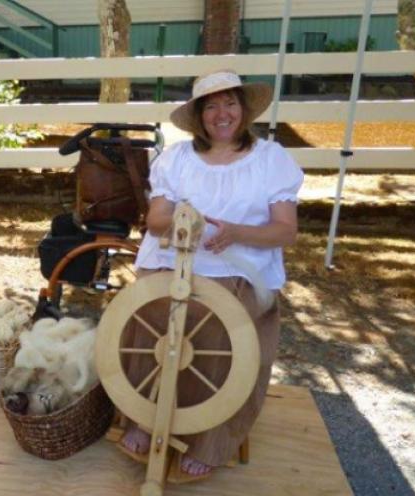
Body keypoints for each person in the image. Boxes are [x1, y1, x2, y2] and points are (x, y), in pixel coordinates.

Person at [118, 70, 304, 479]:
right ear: (200, 116)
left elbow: (286, 231)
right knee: (149, 321)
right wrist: (187, 222)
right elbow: (156, 220)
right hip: (172, 259)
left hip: (242, 270)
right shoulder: (177, 158)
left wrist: (236, 232)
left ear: (244, 109)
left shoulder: (272, 159)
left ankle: (211, 438)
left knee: (222, 333)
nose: (222, 114)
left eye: (230, 103)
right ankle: (145, 420)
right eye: (211, 106)